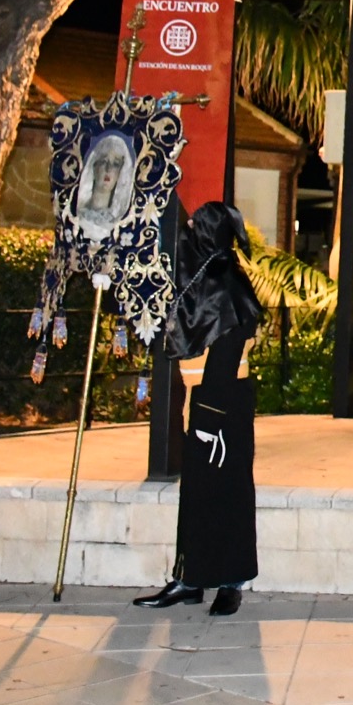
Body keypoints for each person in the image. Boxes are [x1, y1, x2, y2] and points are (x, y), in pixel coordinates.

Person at [136, 202, 263, 616]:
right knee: (196, 494)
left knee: (227, 493)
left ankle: (231, 581)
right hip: (204, 404)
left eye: (196, 227)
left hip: (222, 406)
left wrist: (209, 416)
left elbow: (228, 347)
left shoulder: (225, 282)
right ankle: (190, 577)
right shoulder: (203, 277)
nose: (189, 232)